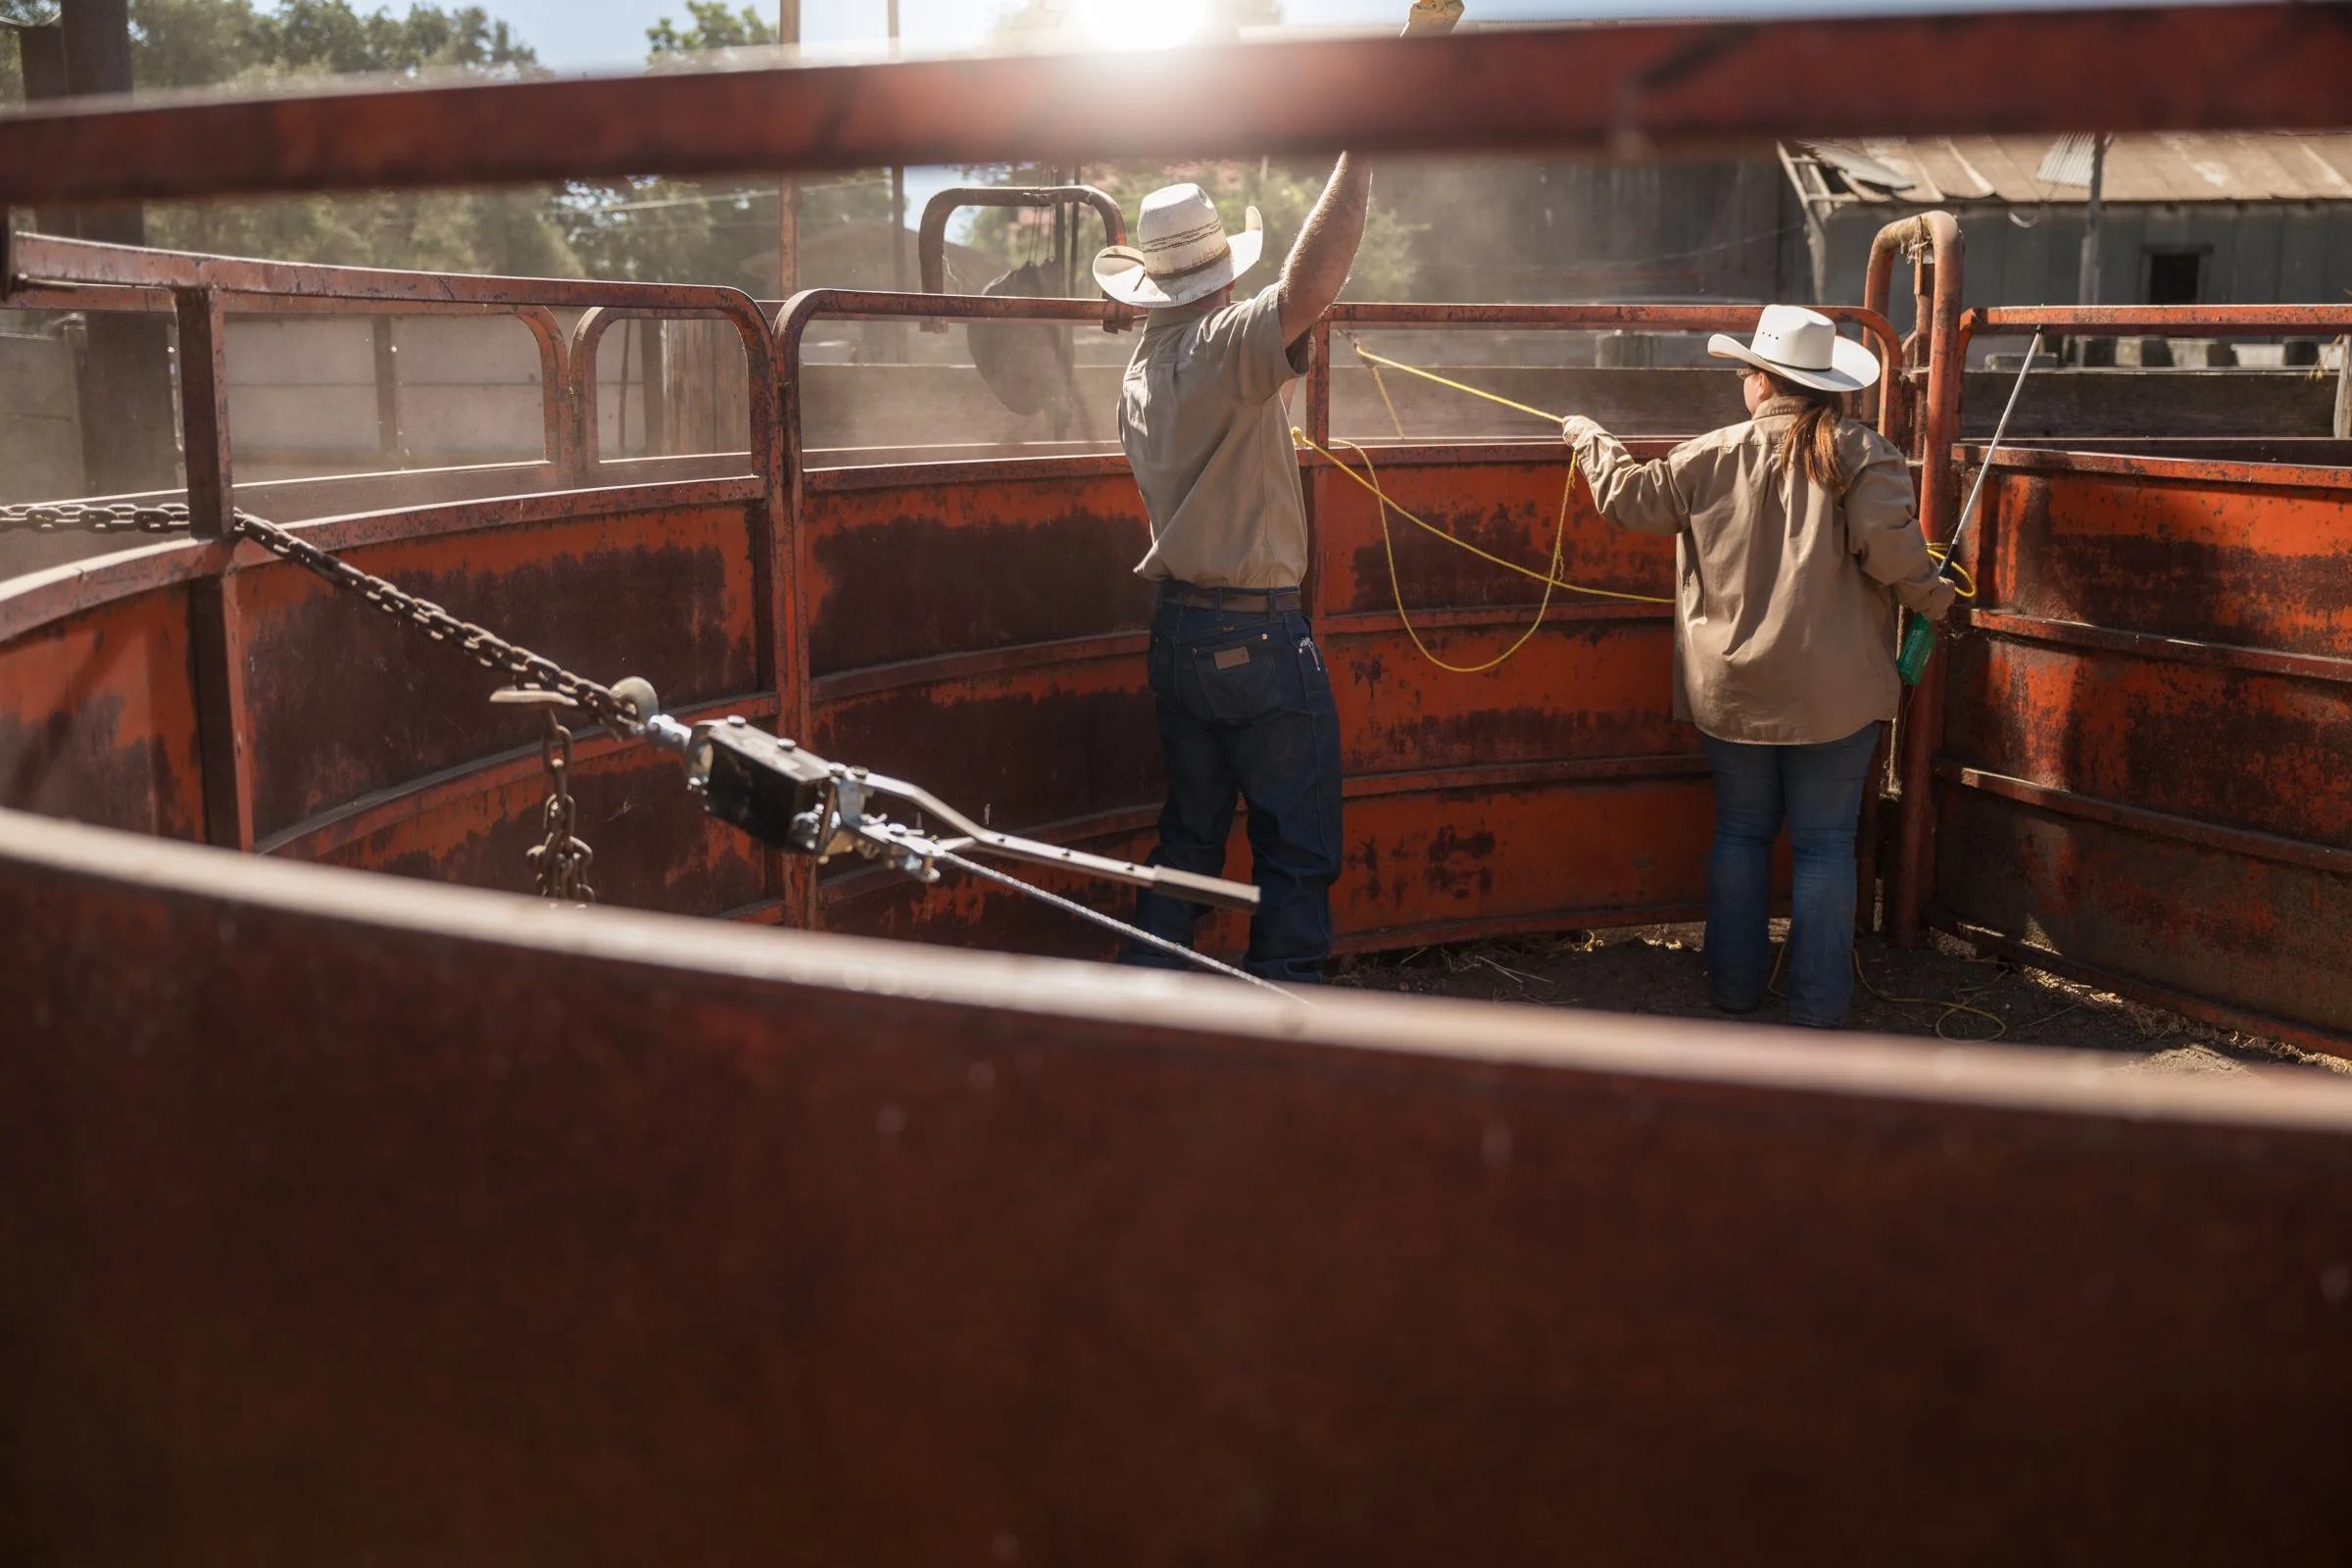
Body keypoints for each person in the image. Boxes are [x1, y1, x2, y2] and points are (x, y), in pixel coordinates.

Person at [1559, 305, 1955, 1027]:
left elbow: (1625, 497)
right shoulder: (1866, 454)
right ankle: (1817, 1009)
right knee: (1826, 845)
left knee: (1741, 832)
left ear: (1761, 382)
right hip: (1834, 695)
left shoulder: (1711, 453)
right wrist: (1938, 597)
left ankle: (1734, 990)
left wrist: (1589, 438)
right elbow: (1895, 556)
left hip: (1730, 689)